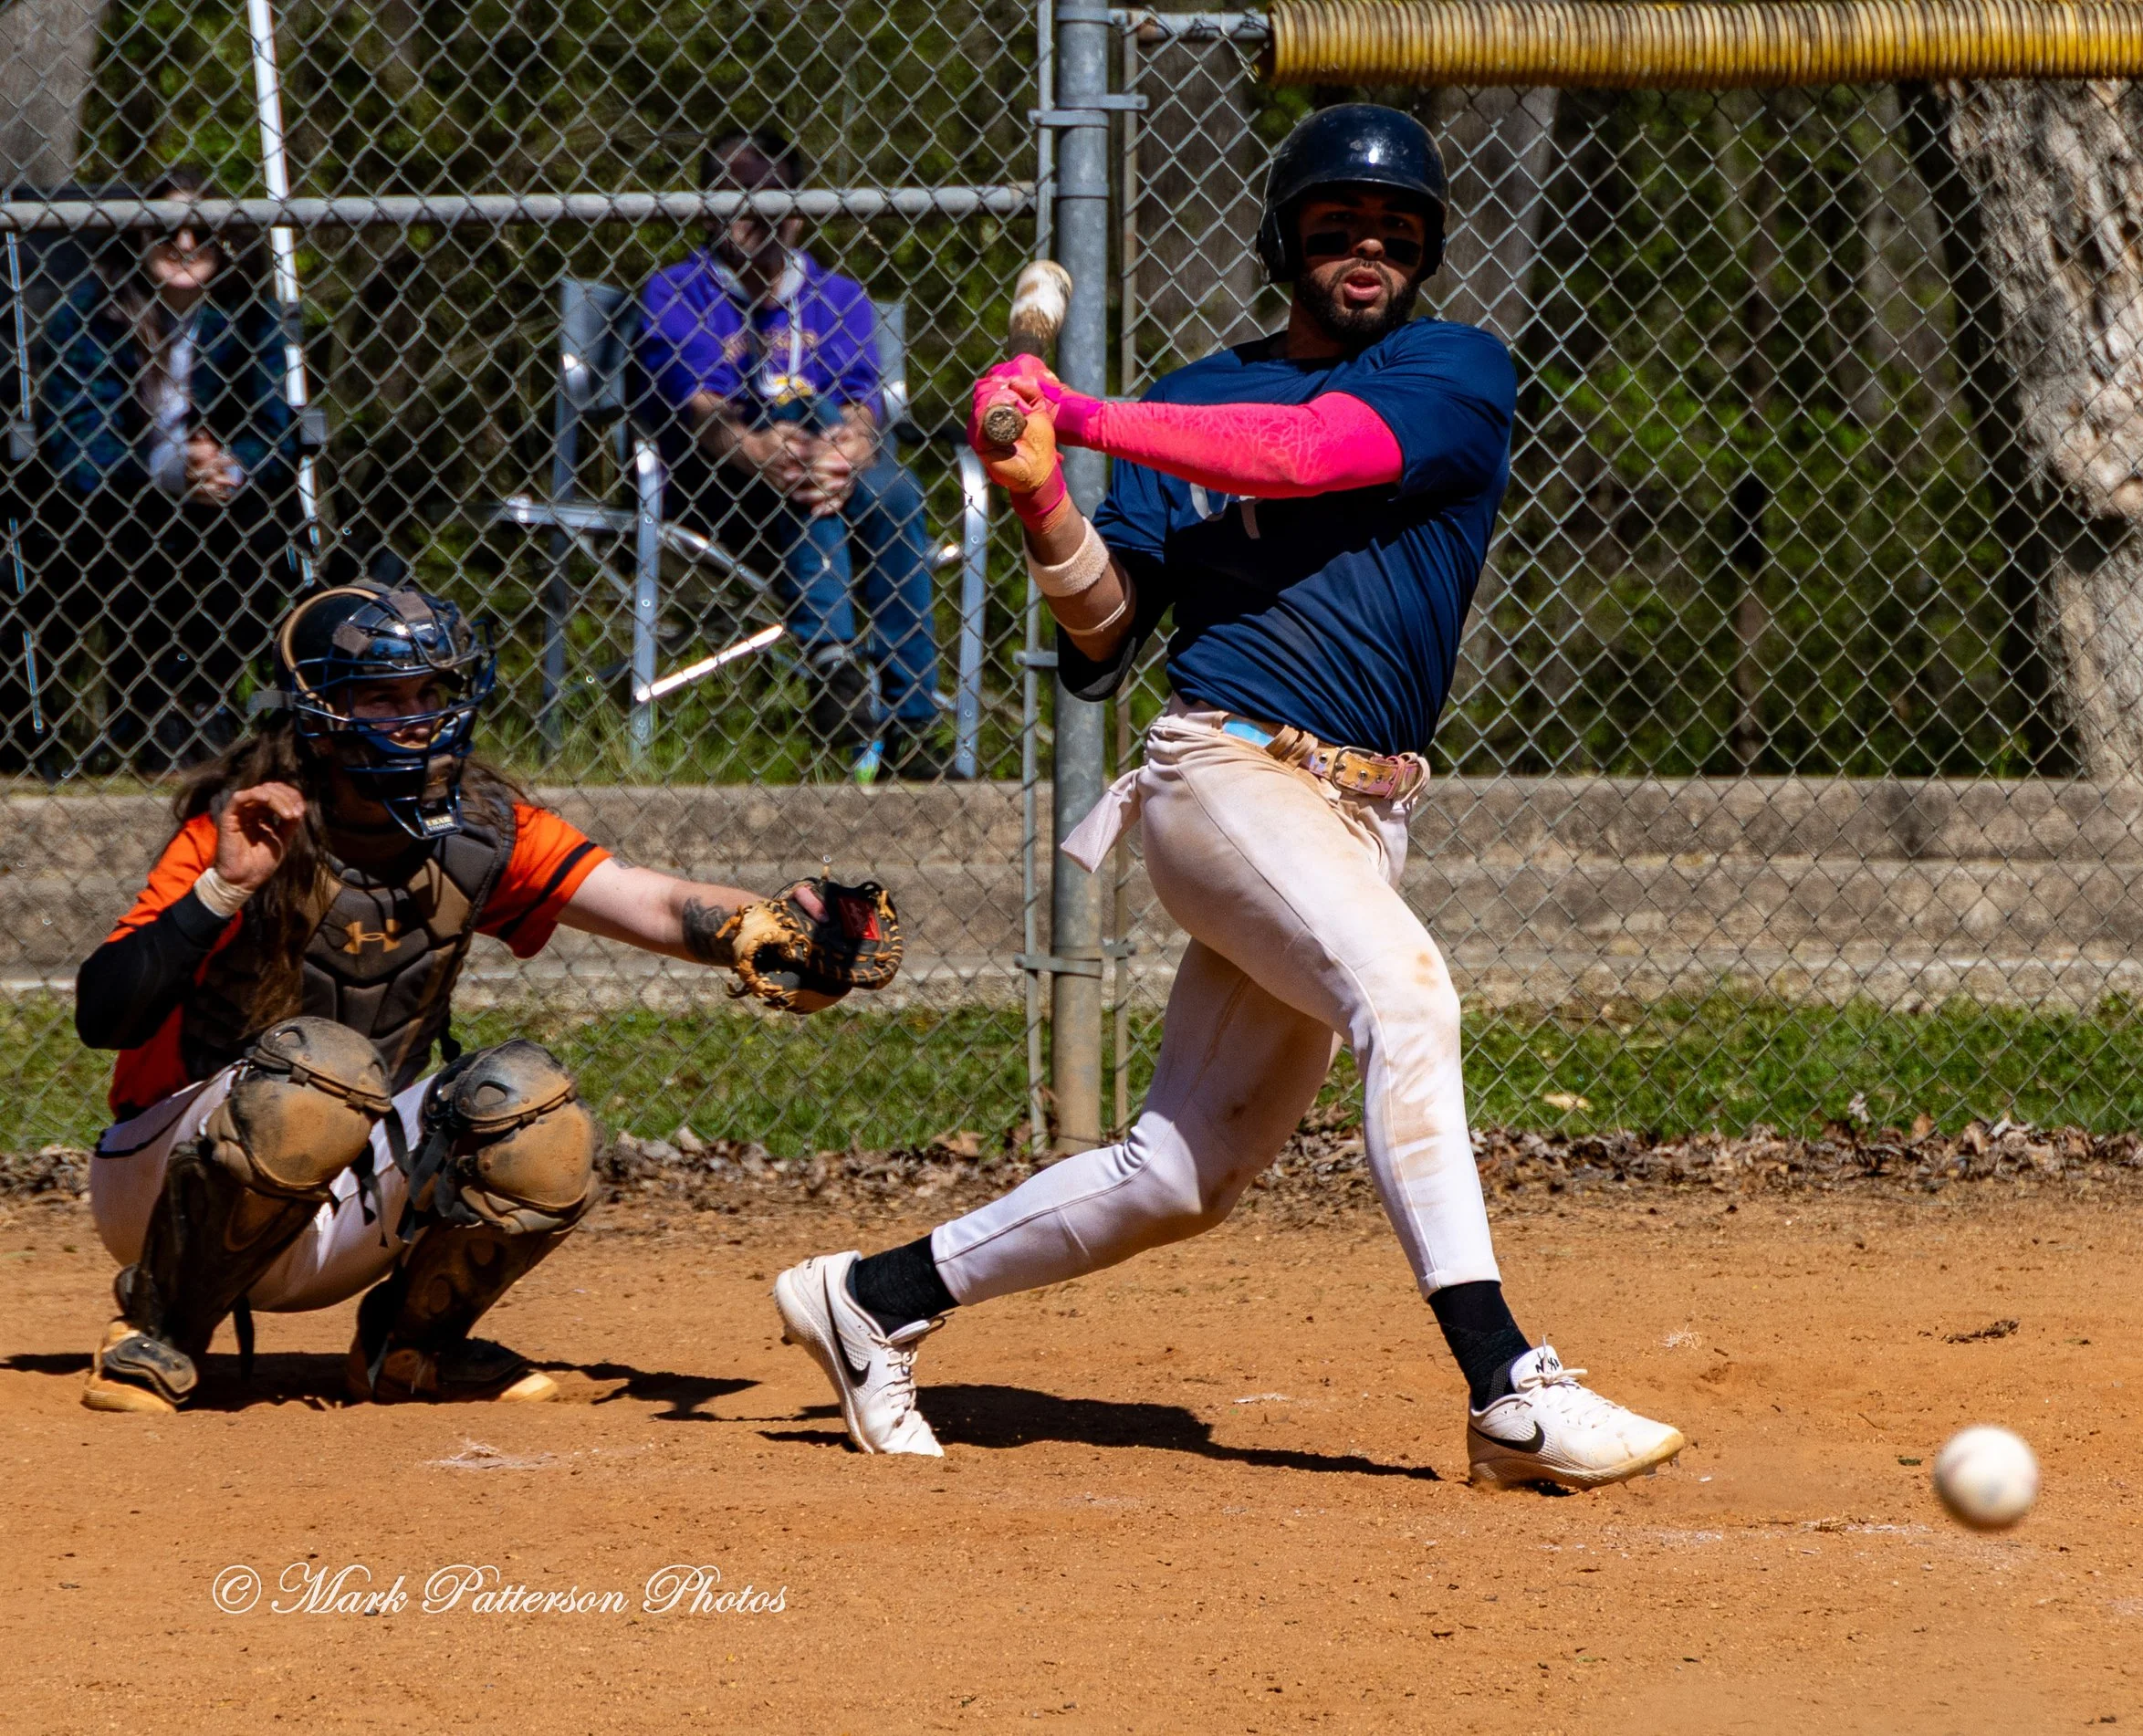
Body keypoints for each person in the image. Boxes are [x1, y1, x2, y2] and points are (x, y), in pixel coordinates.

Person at [770, 105, 1686, 1490]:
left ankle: (872, 1294)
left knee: (1184, 1172)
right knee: (1410, 996)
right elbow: (1104, 632)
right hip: (1225, 768)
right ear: (1286, 242)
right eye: (1335, 225)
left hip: (1363, 808)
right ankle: (1510, 1388)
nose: (1366, 247)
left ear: (1428, 248)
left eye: (1395, 229)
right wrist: (1041, 503)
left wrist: (1075, 416)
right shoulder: (1185, 400)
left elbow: (1307, 453)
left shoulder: (1455, 369)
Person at [73, 576, 898, 1415]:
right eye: (385, 697)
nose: (419, 716)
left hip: (343, 1186)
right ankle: (159, 1328)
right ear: (320, 714)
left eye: (429, 692)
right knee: (324, 1066)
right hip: (168, 1183)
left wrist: (772, 934)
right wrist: (224, 886)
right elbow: (105, 1015)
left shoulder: (481, 827)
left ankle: (407, 1349)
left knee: (534, 1109)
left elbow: (646, 900)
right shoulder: (249, 827)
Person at [636, 129, 948, 779]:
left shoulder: (841, 298)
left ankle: (844, 674)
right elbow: (701, 410)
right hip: (719, 493)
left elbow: (866, 404)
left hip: (834, 485)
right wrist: (759, 446)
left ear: (799, 211)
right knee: (808, 421)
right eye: (734, 197)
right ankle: (909, 720)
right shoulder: (676, 291)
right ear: (705, 207)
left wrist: (848, 444)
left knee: (886, 482)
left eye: (769, 198)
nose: (753, 215)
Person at [37, 167, 299, 772]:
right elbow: (83, 446)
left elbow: (274, 428)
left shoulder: (249, 317)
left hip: (227, 506)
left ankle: (214, 706)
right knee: (129, 529)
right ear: (138, 235)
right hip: (121, 501)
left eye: (202, 231)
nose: (185, 244)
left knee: (263, 521)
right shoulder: (93, 315)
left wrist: (225, 469)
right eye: (166, 229)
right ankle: (141, 716)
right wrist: (169, 470)